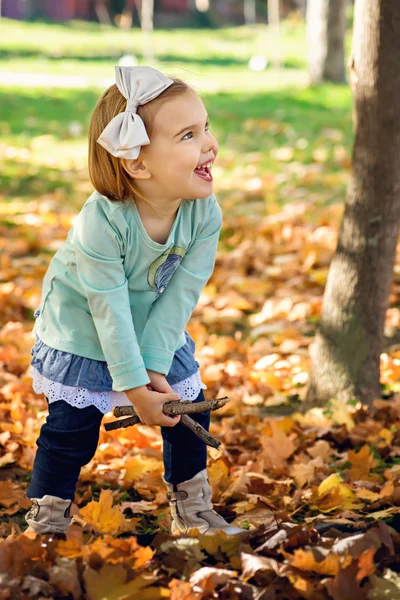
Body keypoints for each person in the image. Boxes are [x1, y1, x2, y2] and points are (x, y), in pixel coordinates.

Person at [24, 66, 245, 537]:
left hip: (150, 324)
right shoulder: (101, 223)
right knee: (71, 429)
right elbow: (106, 305)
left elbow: (181, 293)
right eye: (189, 134)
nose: (210, 143)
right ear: (137, 164)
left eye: (206, 127)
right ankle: (47, 518)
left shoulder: (203, 212)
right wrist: (134, 387)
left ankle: (192, 508)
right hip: (82, 327)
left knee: (188, 411)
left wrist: (155, 368)